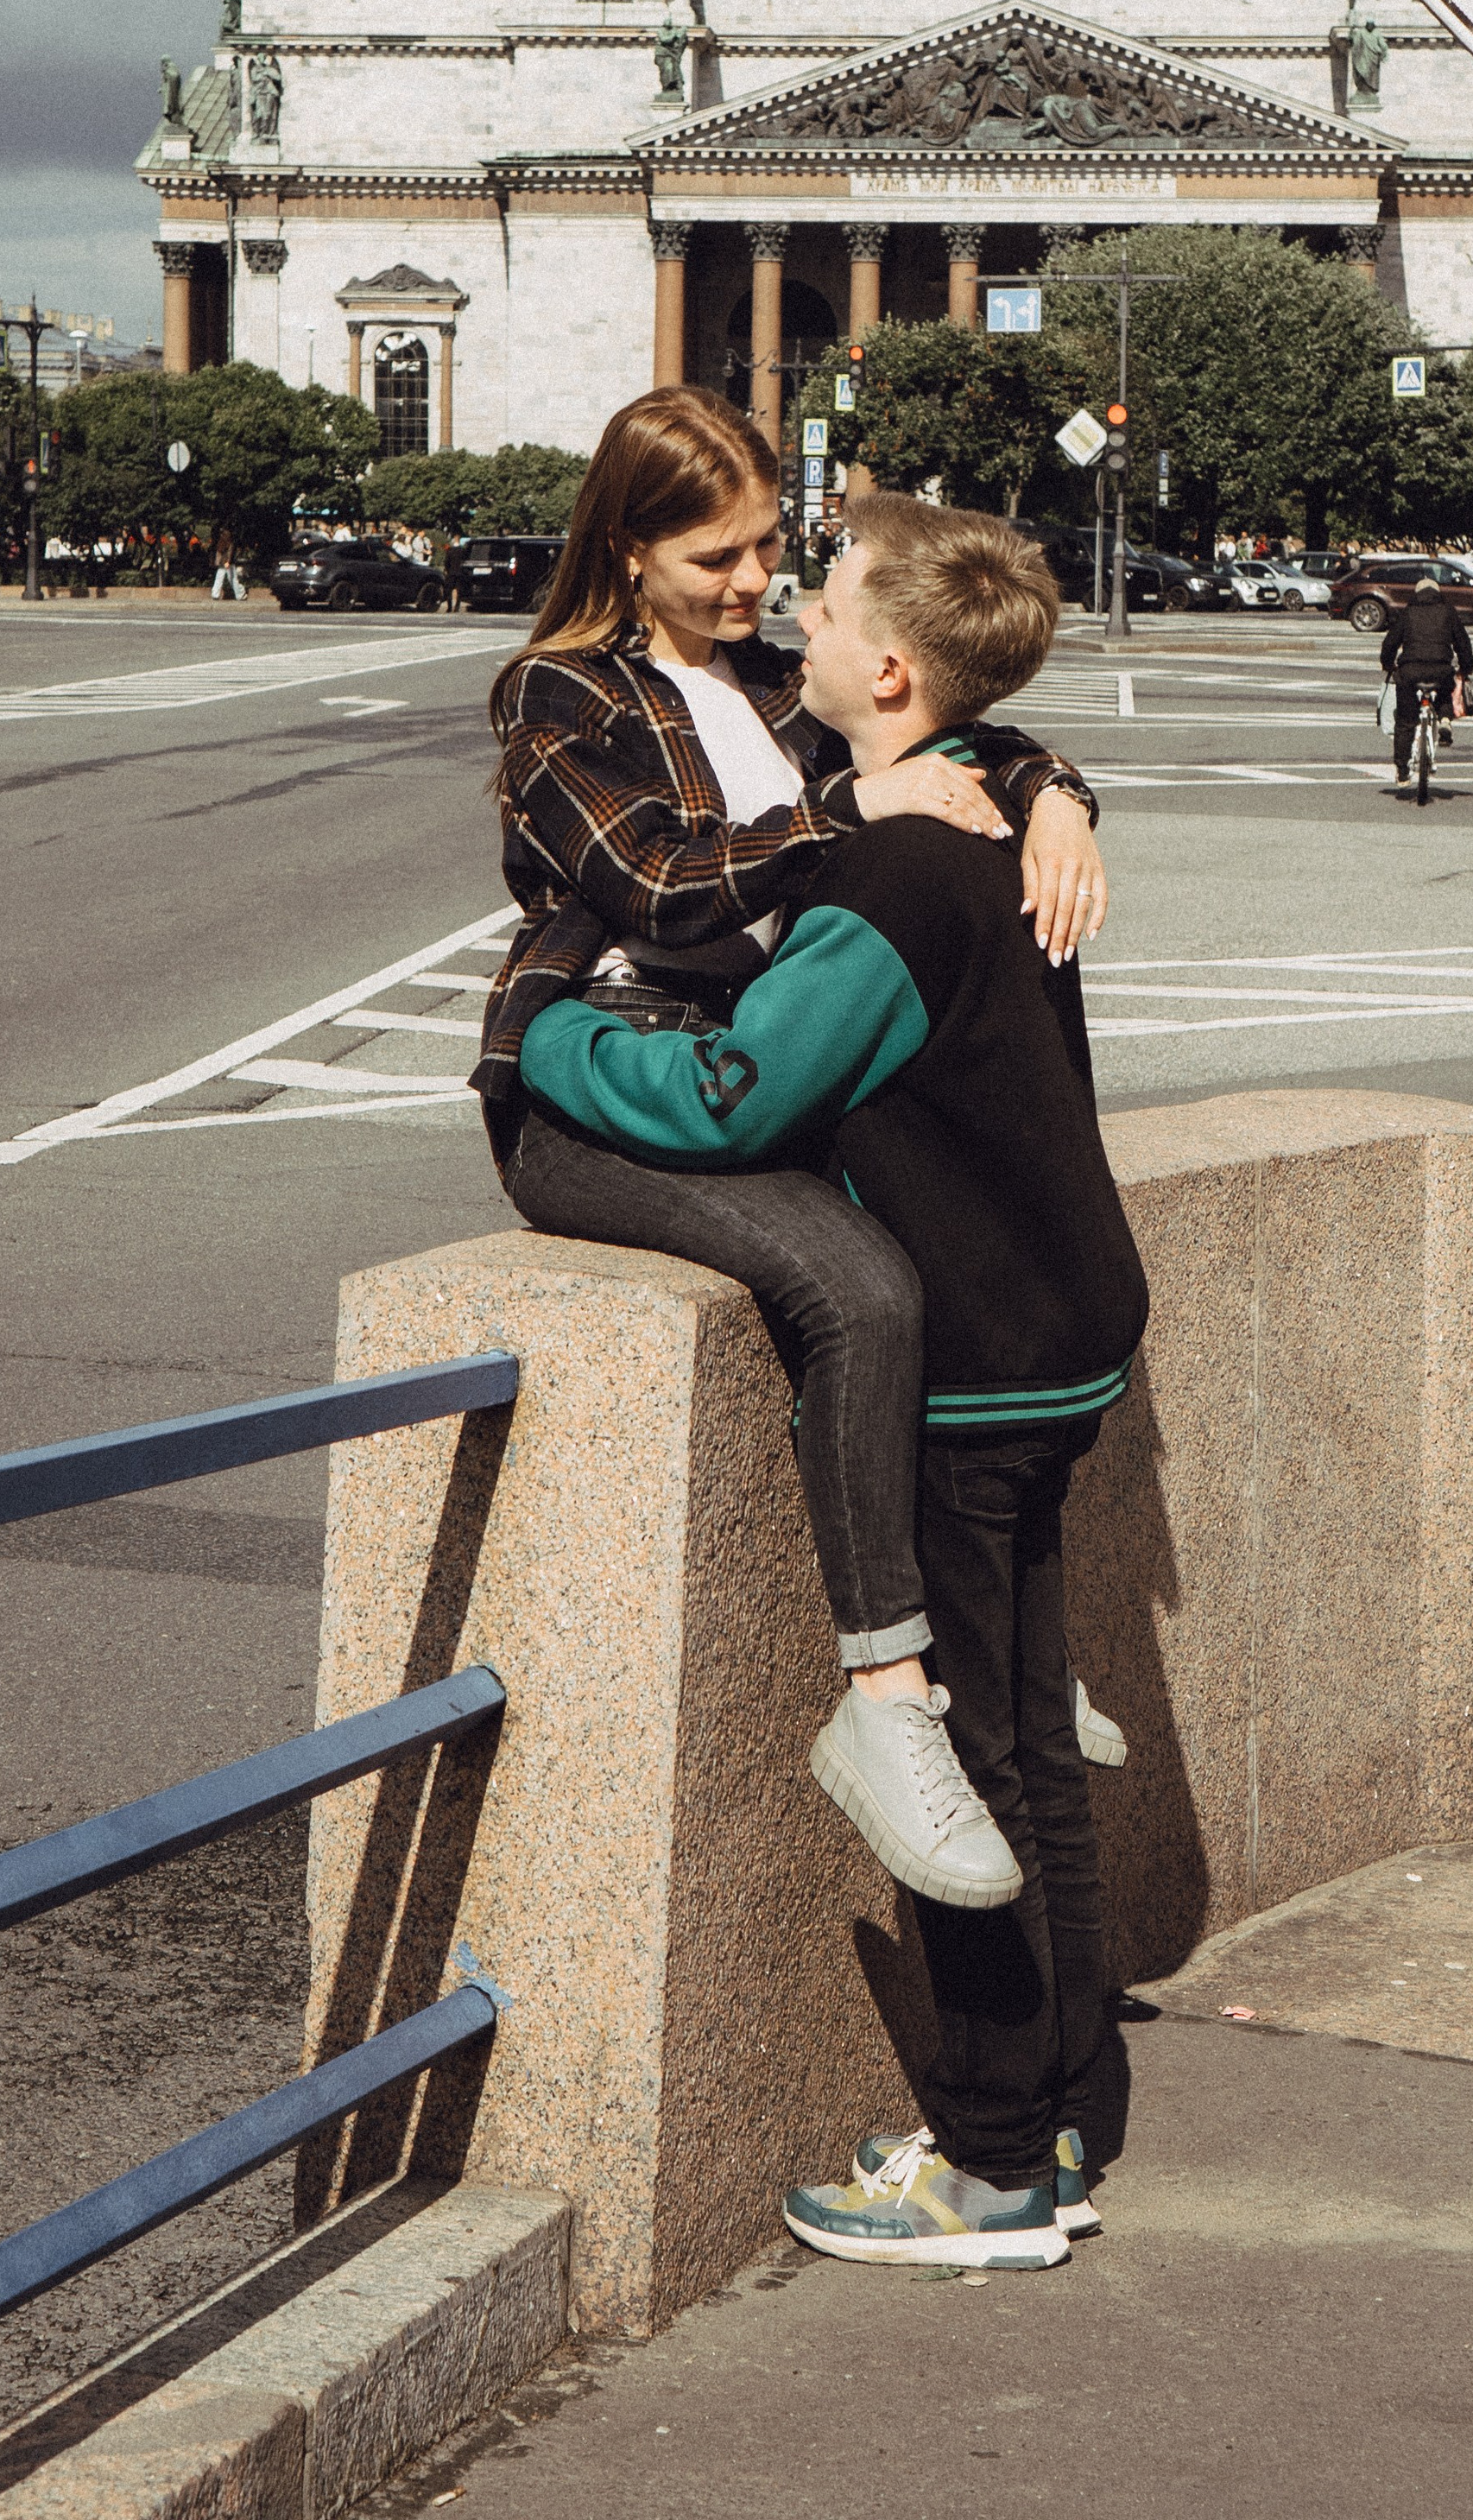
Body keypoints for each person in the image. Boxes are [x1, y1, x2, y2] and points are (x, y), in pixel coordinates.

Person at [518, 493, 1148, 2271]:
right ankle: (1068, 2109)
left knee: (948, 1772)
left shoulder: (891, 871)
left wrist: (561, 1039)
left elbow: (733, 1101)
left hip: (964, 1369)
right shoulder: (991, 823)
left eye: (823, 595)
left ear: (886, 669)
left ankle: (988, 2163)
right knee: (1026, 1747)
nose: (789, 613)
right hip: (1068, 1329)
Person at [476, 389, 1109, 1907]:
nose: (754, 583)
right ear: (627, 550)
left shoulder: (768, 687)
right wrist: (854, 818)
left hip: (748, 1080)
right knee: (865, 1292)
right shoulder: (556, 698)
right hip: (598, 1084)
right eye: (715, 556)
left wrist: (1060, 796)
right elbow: (660, 880)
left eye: (770, 547)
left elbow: (947, 709)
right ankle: (892, 1694)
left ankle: (997, 1672)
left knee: (952, 1258)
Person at [1380, 577, 1473, 794]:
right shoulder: (1448, 612)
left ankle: (1403, 770)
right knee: (1444, 689)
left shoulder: (1408, 612)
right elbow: (1463, 643)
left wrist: (1388, 665)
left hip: (1410, 670)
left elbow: (1390, 642)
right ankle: (1445, 719)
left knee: (1405, 721)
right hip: (1440, 668)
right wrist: (1466, 668)